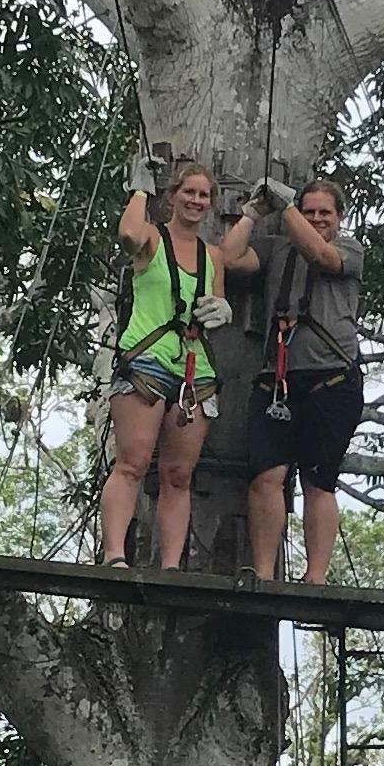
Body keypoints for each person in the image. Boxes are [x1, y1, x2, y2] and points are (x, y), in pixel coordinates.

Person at [94, 155, 255, 571]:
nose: (196, 201)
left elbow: (215, 304)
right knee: (133, 460)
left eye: (203, 195)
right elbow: (127, 234)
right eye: (189, 192)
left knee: (180, 473)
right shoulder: (152, 237)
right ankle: (115, 554)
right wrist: (141, 188)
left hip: (193, 368)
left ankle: (170, 564)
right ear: (174, 197)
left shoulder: (212, 256)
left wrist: (222, 310)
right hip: (146, 359)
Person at [237, 172, 365, 586]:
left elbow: (322, 258)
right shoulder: (276, 248)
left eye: (324, 212)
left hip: (332, 378)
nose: (315, 219)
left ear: (340, 217)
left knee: (317, 479)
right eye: (308, 211)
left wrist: (287, 207)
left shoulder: (349, 248)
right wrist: (251, 215)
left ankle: (316, 576)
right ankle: (263, 571)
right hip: (278, 380)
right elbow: (229, 259)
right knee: (266, 476)